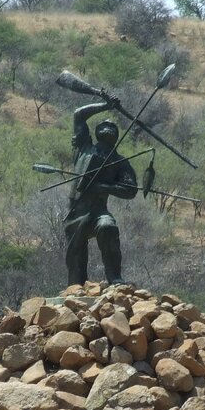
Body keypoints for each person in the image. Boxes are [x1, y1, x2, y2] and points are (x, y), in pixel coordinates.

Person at [64, 97, 138, 287]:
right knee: (76, 257)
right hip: (76, 212)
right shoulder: (84, 148)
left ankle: (115, 278)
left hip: (98, 211)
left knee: (108, 227)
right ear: (96, 133)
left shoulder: (120, 162)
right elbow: (79, 114)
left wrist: (104, 187)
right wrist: (105, 105)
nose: (108, 126)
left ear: (117, 135)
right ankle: (76, 289)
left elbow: (130, 190)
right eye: (104, 125)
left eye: (113, 126)